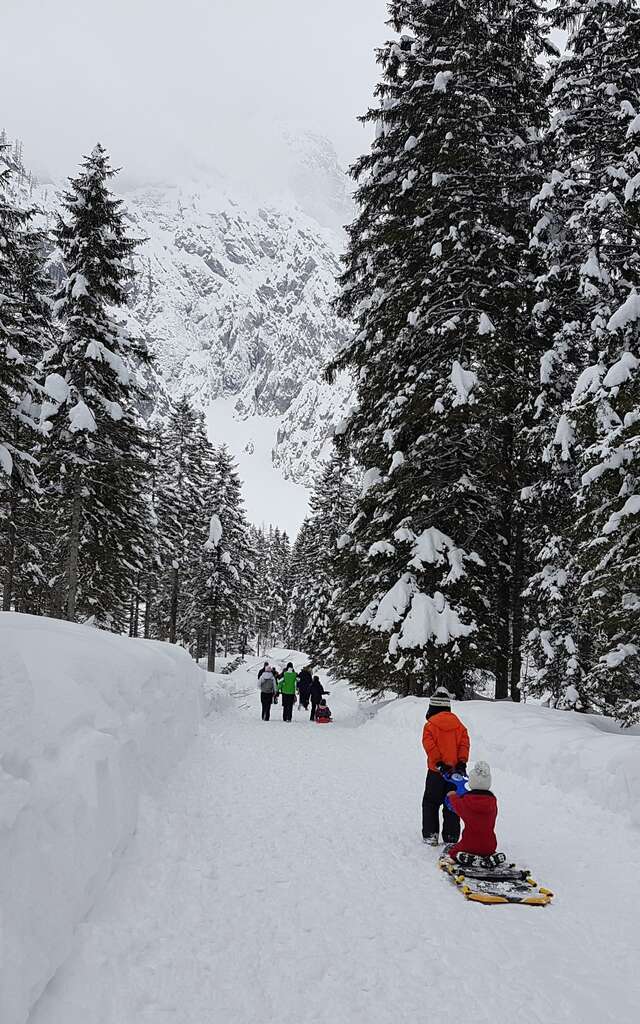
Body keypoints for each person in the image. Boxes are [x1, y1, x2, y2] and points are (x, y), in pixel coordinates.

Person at [421, 687, 470, 846]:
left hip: (437, 772)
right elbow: (464, 744)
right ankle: (451, 836)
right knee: (453, 804)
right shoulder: (459, 725)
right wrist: (462, 762)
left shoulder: (430, 726)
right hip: (455, 774)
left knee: (430, 802)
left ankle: (430, 834)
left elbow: (430, 747)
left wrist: (439, 763)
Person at [446, 761, 498, 861]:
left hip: (469, 844)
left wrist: (452, 796)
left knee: (452, 851)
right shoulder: (493, 803)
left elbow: (456, 805)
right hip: (489, 846)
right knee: (487, 844)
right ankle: (489, 858)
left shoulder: (465, 802)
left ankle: (464, 857)